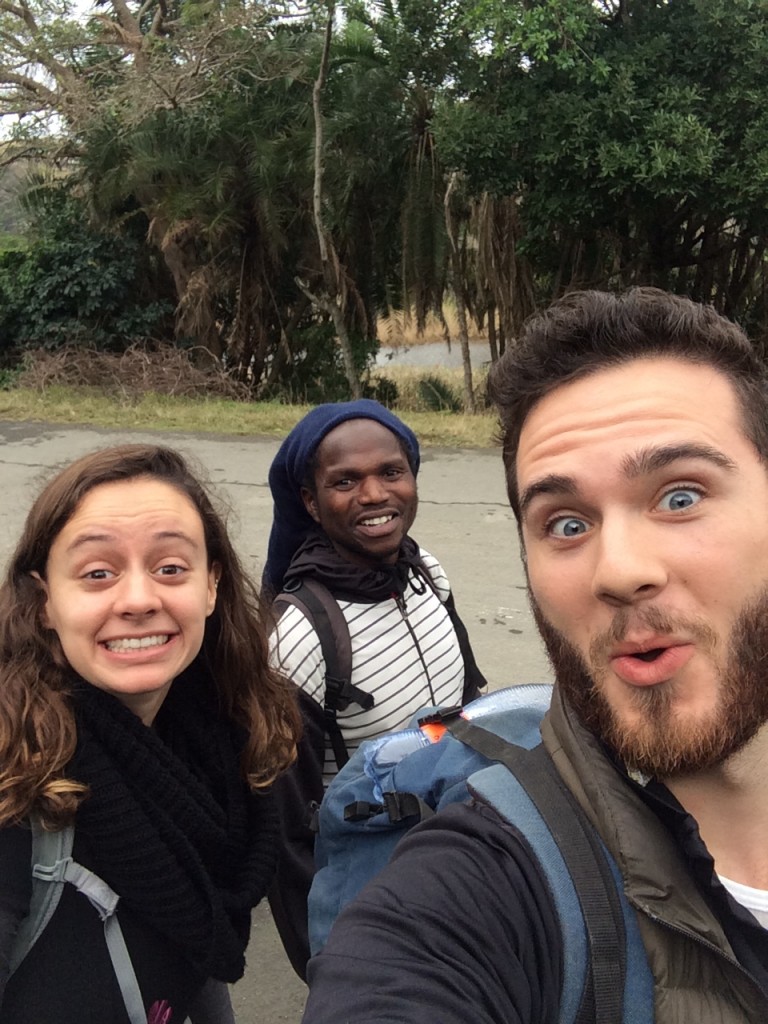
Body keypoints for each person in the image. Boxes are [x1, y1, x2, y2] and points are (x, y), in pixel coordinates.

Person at [301, 288, 768, 1023]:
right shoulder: (474, 890)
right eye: (567, 522)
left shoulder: (428, 576)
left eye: (680, 497)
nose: (617, 571)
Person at [0, 444, 301, 1024]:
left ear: (211, 586)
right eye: (97, 574)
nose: (139, 600)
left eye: (170, 568)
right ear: (44, 603)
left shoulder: (223, 750)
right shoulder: (16, 790)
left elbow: (198, 946)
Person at [264, 398, 486, 977]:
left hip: (458, 847)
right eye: (345, 481)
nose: (374, 495)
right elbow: (287, 829)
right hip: (373, 877)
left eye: (391, 472)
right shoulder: (302, 637)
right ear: (310, 502)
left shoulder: (426, 572)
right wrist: (325, 958)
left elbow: (469, 697)